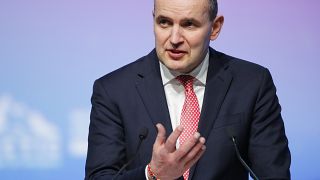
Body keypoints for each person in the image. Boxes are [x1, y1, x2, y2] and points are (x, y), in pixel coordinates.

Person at [85, 0, 291, 179]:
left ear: (215, 27)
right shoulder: (113, 90)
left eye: (189, 24)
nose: (174, 39)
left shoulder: (252, 83)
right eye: (164, 22)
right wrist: (152, 174)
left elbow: (274, 174)